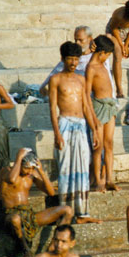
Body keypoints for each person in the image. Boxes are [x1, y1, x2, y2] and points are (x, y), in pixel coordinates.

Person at [49, 41, 101, 224]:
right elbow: (52, 109)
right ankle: (65, 211)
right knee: (65, 167)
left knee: (82, 167)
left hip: (81, 125)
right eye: (70, 59)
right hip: (64, 124)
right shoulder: (55, 80)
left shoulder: (81, 79)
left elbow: (87, 105)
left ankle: (82, 213)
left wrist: (94, 130)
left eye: (76, 59)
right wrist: (57, 133)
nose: (73, 62)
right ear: (63, 59)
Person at [0, 148, 73, 257]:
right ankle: (26, 250)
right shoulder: (6, 171)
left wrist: (41, 172)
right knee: (15, 219)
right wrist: (19, 157)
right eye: (26, 168)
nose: (29, 171)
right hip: (11, 214)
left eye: (32, 168)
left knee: (68, 210)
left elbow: (51, 192)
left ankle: (53, 246)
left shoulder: (31, 174)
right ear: (19, 163)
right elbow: (12, 180)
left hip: (29, 215)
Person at [85, 35, 120, 193]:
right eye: (108, 54)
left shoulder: (103, 64)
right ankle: (98, 180)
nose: (108, 57)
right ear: (102, 52)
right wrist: (93, 118)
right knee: (98, 146)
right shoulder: (91, 68)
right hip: (98, 107)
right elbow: (86, 94)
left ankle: (109, 179)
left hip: (110, 106)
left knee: (109, 143)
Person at [40, 26, 114, 97]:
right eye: (76, 40)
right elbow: (46, 84)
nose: (77, 43)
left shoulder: (99, 57)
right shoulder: (70, 59)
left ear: (90, 39)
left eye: (81, 40)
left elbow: (108, 80)